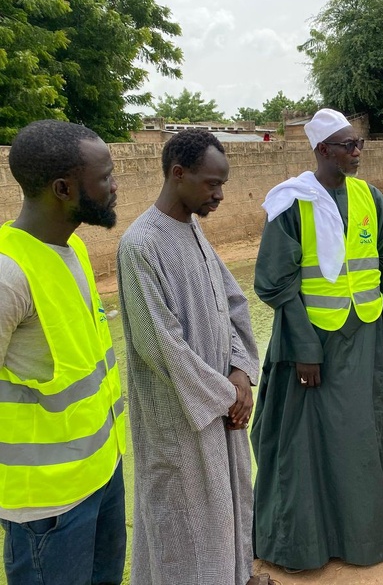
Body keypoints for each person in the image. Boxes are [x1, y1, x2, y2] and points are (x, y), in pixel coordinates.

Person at [252, 109, 383, 571]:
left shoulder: (371, 199)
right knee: (312, 440)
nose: (357, 152)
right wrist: (304, 349)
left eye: (359, 143)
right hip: (314, 343)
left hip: (365, 336)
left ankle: (366, 526)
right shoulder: (290, 204)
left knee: (365, 427)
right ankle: (309, 540)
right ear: (321, 150)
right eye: (347, 145)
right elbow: (275, 283)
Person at [117, 129, 260, 584]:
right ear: (178, 174)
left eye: (223, 185)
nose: (219, 195)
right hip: (179, 418)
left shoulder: (192, 227)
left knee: (229, 506)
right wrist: (226, 395)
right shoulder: (141, 245)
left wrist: (240, 371)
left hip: (220, 405)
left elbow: (230, 302)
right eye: (211, 184)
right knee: (184, 525)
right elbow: (160, 345)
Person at [0, 120, 126, 584]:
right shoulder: (8, 274)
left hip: (101, 474)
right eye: (105, 176)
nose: (116, 186)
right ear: (63, 188)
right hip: (47, 507)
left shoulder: (68, 248)